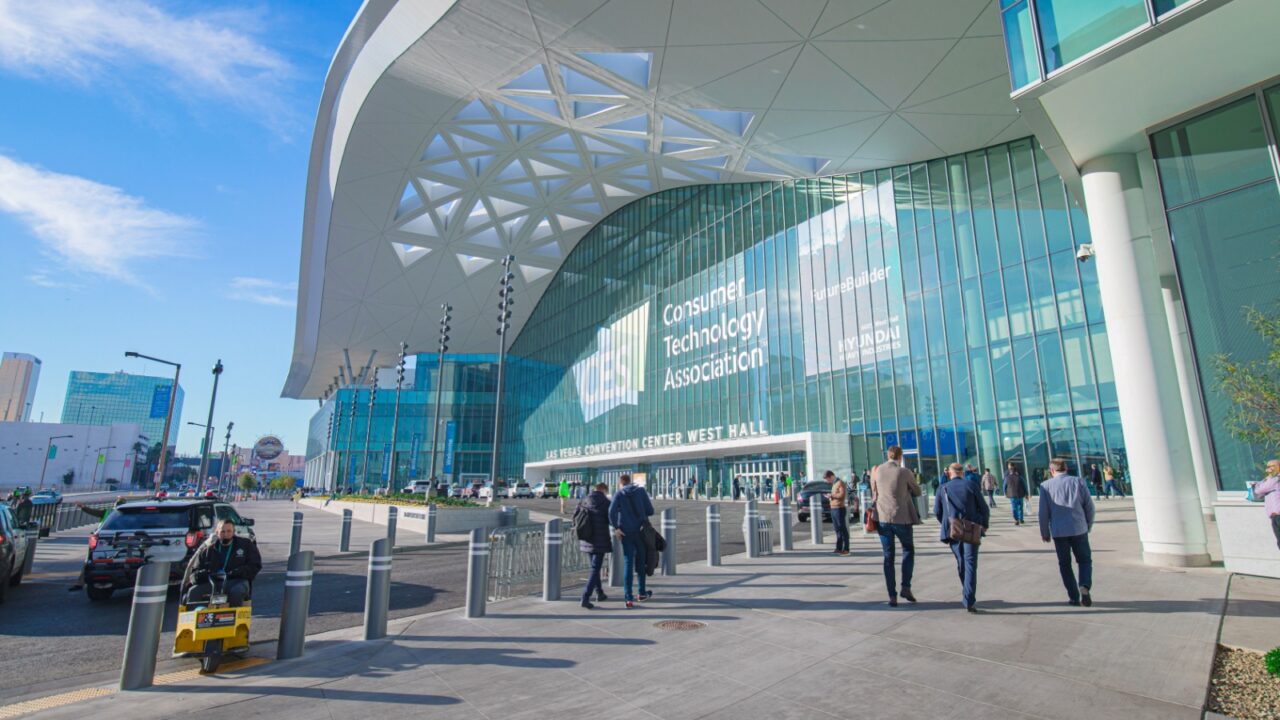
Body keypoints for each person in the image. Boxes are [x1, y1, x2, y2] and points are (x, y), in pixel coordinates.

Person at [1039, 458, 1096, 607]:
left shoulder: (1045, 486)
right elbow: (1089, 506)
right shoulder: (1078, 482)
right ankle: (1084, 585)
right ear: (1066, 469)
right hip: (1079, 528)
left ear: (1052, 471)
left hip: (1059, 531)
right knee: (1084, 560)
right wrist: (1088, 524)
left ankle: (1073, 597)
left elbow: (1043, 513)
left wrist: (1045, 532)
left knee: (1065, 565)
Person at [934, 462, 990, 613]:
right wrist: (984, 524)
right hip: (971, 528)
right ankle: (969, 599)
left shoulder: (943, 488)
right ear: (962, 473)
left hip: (953, 530)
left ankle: (966, 590)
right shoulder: (971, 485)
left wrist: (948, 523)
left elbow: (937, 511)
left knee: (961, 562)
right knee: (970, 562)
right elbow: (984, 508)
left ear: (949, 473)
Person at [871, 446, 922, 607]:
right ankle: (905, 587)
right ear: (900, 457)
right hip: (901, 517)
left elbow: (874, 491)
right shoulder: (904, 472)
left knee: (888, 556)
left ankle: (892, 596)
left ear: (888, 455)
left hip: (882, 518)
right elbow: (918, 491)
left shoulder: (877, 471)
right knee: (908, 550)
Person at [180, 519, 262, 607]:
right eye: (222, 531)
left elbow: (255, 565)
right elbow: (194, 573)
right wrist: (206, 574)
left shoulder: (245, 545)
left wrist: (236, 572)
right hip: (212, 582)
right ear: (217, 532)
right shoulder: (208, 550)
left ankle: (232, 618)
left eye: (229, 531)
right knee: (193, 592)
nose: (226, 534)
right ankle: (195, 619)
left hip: (236, 581)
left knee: (236, 592)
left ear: (233, 532)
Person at [608, 473, 655, 609]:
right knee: (641, 562)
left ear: (621, 483)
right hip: (641, 531)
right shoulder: (640, 491)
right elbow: (650, 511)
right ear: (630, 482)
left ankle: (628, 599)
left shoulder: (619, 494)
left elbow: (611, 512)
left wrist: (616, 528)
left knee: (628, 563)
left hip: (625, 532)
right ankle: (641, 593)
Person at [576, 482, 612, 609]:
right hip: (600, 540)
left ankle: (600, 593)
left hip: (586, 538)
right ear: (603, 490)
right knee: (595, 568)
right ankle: (585, 597)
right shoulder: (606, 502)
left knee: (594, 567)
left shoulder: (584, 500)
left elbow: (575, 516)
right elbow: (611, 519)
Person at [1250, 459, 1280, 551]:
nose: (1269, 469)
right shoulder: (1270, 479)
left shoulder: (1276, 479)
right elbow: (1257, 495)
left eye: (1272, 466)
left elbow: (1259, 490)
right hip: (1274, 516)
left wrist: (1259, 484)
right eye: (1268, 467)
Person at [825, 470, 849, 556]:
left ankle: (846, 548)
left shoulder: (840, 483)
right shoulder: (834, 484)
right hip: (834, 508)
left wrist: (831, 496)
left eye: (828, 479)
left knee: (842, 529)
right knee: (837, 529)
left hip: (839, 508)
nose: (828, 481)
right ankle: (839, 548)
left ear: (831, 476)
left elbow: (842, 495)